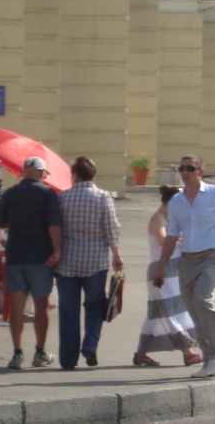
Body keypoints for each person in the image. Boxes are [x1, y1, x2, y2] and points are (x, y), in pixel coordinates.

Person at [153, 155, 215, 379]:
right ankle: (208, 357)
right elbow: (172, 236)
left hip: (213, 258)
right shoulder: (176, 202)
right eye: (181, 168)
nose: (185, 172)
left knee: (202, 300)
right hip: (187, 260)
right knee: (193, 309)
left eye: (190, 168)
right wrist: (160, 268)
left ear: (200, 171)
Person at [0, 156, 62, 370]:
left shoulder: (11, 192)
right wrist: (57, 250)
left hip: (15, 256)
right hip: (40, 257)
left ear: (23, 172)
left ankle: (17, 354)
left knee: (17, 306)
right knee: (41, 306)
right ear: (42, 173)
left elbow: (1, 222)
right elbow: (53, 225)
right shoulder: (48, 193)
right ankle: (39, 353)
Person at [55, 156, 123, 370]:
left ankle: (68, 359)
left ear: (73, 174)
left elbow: (55, 228)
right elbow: (111, 228)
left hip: (67, 261)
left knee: (68, 310)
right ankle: (90, 345)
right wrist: (116, 254)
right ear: (93, 175)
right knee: (95, 306)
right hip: (95, 261)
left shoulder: (62, 197)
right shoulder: (103, 197)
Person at [133, 185, 203, 367]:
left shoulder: (170, 217)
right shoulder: (158, 217)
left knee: (158, 312)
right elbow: (162, 240)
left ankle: (141, 353)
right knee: (168, 310)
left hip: (172, 270)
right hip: (161, 271)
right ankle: (188, 351)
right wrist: (180, 237)